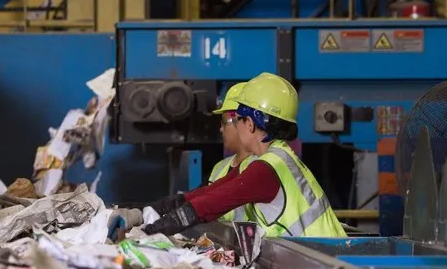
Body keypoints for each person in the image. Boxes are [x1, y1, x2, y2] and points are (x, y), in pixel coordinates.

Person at [145, 72, 346, 238]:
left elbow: (212, 203)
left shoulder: (266, 169)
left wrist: (149, 231)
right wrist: (152, 209)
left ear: (249, 124)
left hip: (328, 262)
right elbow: (210, 191)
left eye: (238, 119)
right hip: (322, 256)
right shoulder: (271, 160)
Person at [207, 82, 257, 223]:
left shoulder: (260, 167)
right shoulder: (220, 168)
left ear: (243, 121)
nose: (221, 129)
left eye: (224, 122)